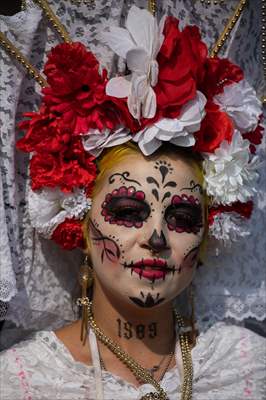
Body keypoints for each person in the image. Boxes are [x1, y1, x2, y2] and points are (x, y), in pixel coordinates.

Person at [0, 1, 265, 399]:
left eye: (181, 217)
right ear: (79, 220)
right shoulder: (22, 383)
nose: (156, 236)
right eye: (128, 212)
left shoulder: (247, 367)